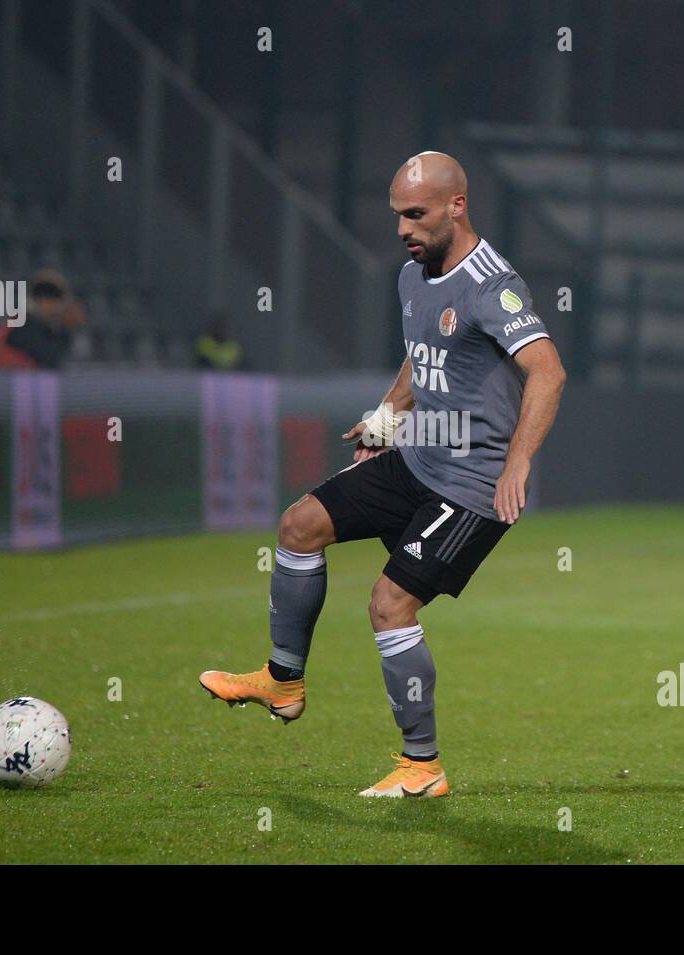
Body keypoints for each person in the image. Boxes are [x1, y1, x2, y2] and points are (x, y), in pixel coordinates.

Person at [199, 152, 567, 798]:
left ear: (457, 205)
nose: (403, 227)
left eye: (416, 214)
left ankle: (421, 766)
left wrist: (519, 460)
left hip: (471, 485)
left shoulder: (491, 284)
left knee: (389, 604)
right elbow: (422, 356)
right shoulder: (413, 274)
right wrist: (386, 417)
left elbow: (548, 371)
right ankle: (283, 680)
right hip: (417, 458)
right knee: (298, 525)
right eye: (398, 214)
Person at [0, 270, 83, 369]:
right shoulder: (22, 324)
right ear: (42, 301)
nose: (59, 309)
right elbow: (49, 361)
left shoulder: (36, 325)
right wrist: (67, 328)